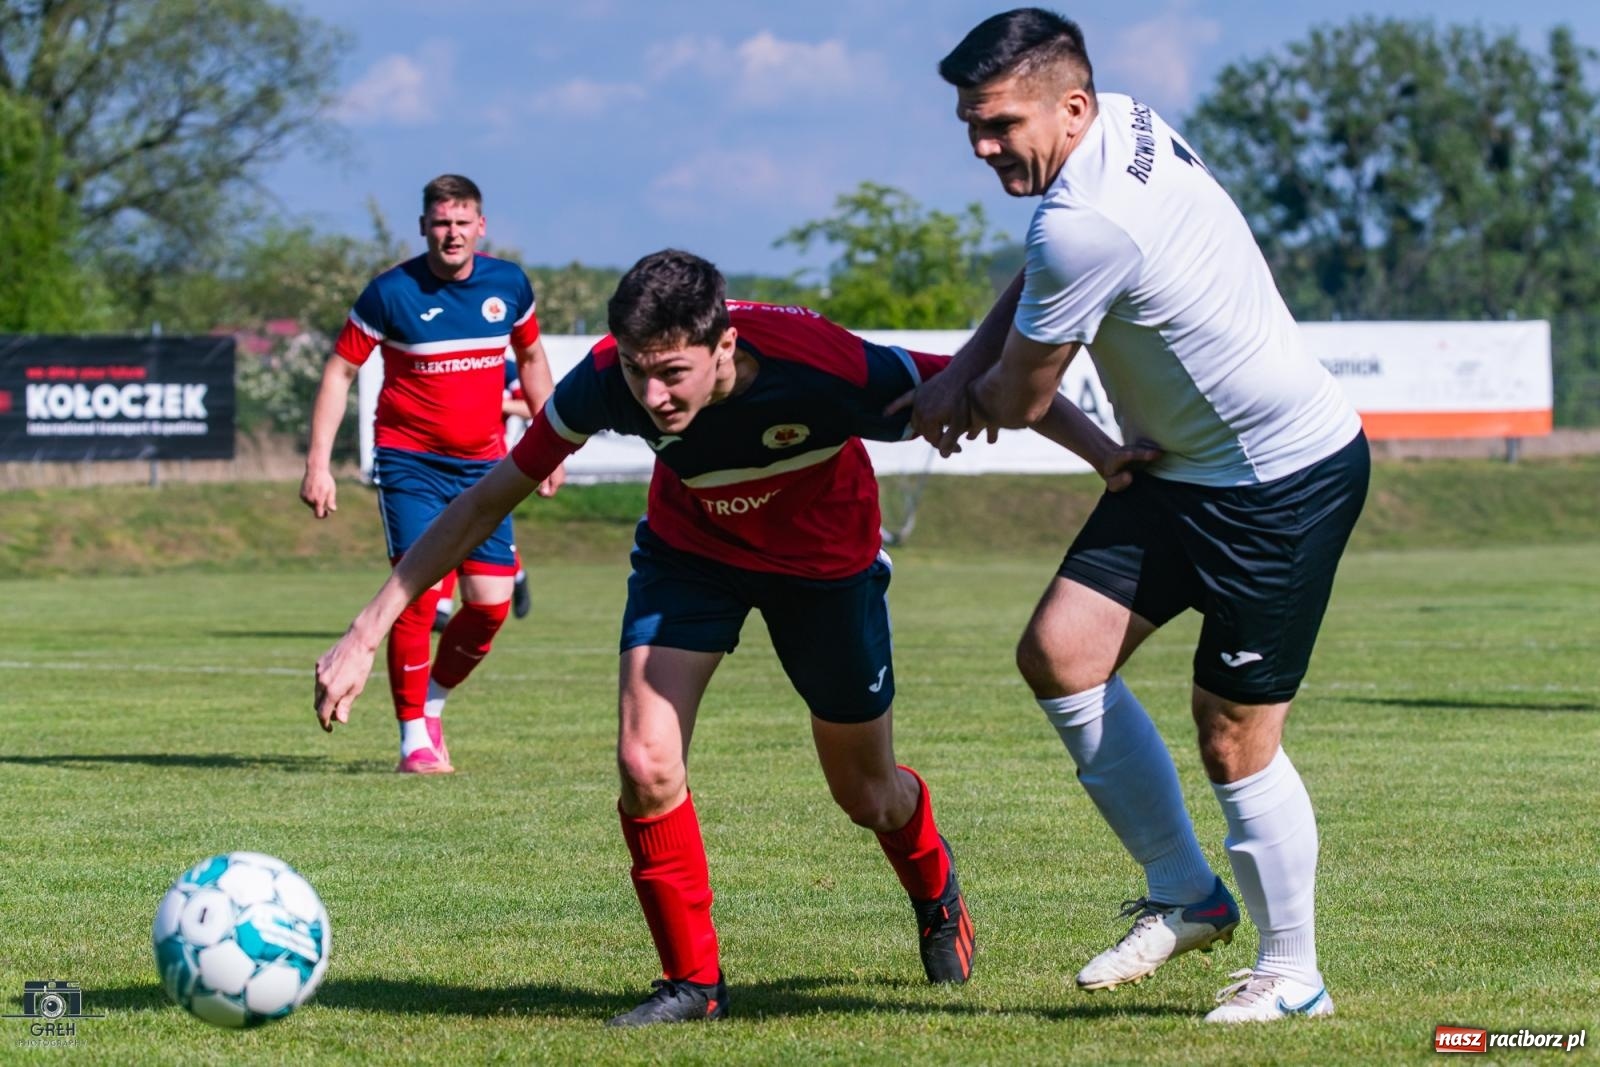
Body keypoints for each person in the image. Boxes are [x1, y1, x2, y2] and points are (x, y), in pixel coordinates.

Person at [313, 249, 1119, 1026]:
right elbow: (487, 501)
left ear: (724, 343)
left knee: (865, 793)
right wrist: (364, 627)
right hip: (691, 558)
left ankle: (934, 884)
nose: (653, 395)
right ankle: (693, 981)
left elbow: (1000, 383)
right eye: (638, 371)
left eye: (673, 373)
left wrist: (1111, 459)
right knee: (645, 759)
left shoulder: (826, 366)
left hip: (824, 569)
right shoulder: (605, 382)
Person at [904, 9, 1370, 1023]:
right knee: (1060, 653)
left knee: (1233, 735)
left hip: (1277, 482)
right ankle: (1188, 892)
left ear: (1068, 105)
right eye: (970, 127)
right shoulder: (1118, 122)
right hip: (1181, 469)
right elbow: (1041, 273)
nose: (983, 149)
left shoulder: (1087, 219)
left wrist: (957, 394)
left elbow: (1023, 395)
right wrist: (964, 373)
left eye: (999, 125)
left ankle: (1295, 972)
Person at [300, 173, 564, 775]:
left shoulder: (508, 285)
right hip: (410, 463)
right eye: (441, 222)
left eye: (462, 221)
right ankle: (412, 738)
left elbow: (531, 358)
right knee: (415, 596)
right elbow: (339, 372)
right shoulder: (389, 294)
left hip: (487, 468)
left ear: (481, 226)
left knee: (492, 605)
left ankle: (433, 703)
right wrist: (319, 465)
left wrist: (553, 446)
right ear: (423, 227)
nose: (452, 232)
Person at [434, 357, 535, 633]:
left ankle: (517, 573)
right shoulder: (449, 363)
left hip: (490, 465)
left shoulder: (506, 367)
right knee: (446, 530)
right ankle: (441, 605)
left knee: (485, 532)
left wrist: (493, 404)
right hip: (445, 463)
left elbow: (530, 406)